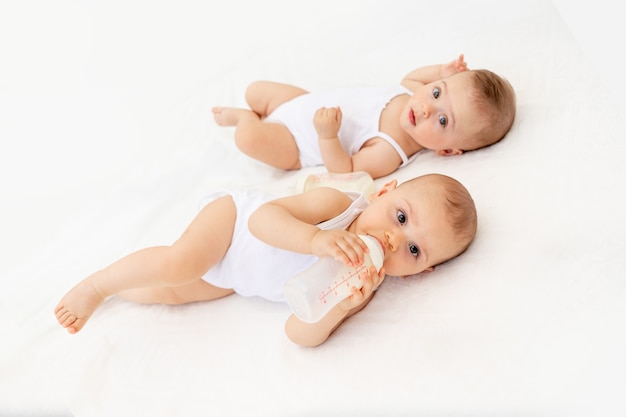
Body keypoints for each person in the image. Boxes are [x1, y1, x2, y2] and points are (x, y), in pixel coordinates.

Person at [54, 173, 477, 347]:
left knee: (171, 293)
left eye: (414, 250)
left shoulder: (363, 283)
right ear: (383, 193)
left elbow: (299, 332)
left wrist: (341, 307)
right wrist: (316, 240)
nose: (392, 238)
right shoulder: (337, 206)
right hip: (232, 226)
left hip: (238, 278)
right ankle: (96, 285)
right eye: (401, 217)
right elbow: (262, 220)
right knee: (180, 263)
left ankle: (123, 291)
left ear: (422, 272)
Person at [212, 54, 516, 179]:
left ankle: (245, 119)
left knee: (248, 138)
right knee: (255, 90)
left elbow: (345, 171)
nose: (426, 108)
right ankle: (254, 110)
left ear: (447, 151)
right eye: (437, 92)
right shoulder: (411, 96)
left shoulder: (390, 150)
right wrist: (440, 72)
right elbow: (411, 77)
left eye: (442, 121)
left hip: (297, 142)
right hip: (302, 103)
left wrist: (327, 135)